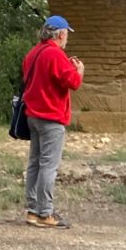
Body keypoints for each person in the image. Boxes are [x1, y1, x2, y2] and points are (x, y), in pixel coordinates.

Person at [22, 16, 84, 229]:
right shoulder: (55, 54)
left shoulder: (33, 53)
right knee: (49, 166)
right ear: (60, 34)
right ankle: (45, 213)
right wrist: (79, 71)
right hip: (51, 116)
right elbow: (73, 83)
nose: (66, 38)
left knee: (35, 163)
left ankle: (32, 209)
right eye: (66, 33)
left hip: (33, 115)